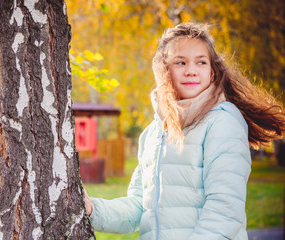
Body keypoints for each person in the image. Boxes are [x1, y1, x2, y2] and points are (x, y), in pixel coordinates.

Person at [84, 22, 285, 240]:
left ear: (213, 72)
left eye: (201, 62)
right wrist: (93, 210)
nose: (191, 70)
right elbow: (139, 207)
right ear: (164, 70)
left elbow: (224, 211)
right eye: (181, 62)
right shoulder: (154, 132)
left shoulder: (223, 121)